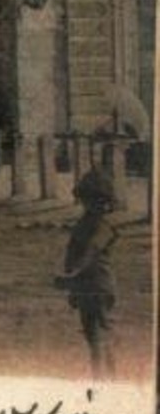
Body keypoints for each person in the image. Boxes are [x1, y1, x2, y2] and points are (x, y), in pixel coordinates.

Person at [55, 157, 120, 377]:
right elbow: (72, 254)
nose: (95, 205)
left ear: (107, 203)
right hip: (84, 286)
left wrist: (70, 277)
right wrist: (73, 287)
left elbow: (89, 253)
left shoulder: (104, 227)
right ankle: (99, 379)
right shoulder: (82, 223)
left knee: (101, 334)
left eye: (100, 201)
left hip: (100, 286)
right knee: (92, 336)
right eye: (90, 200)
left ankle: (111, 379)